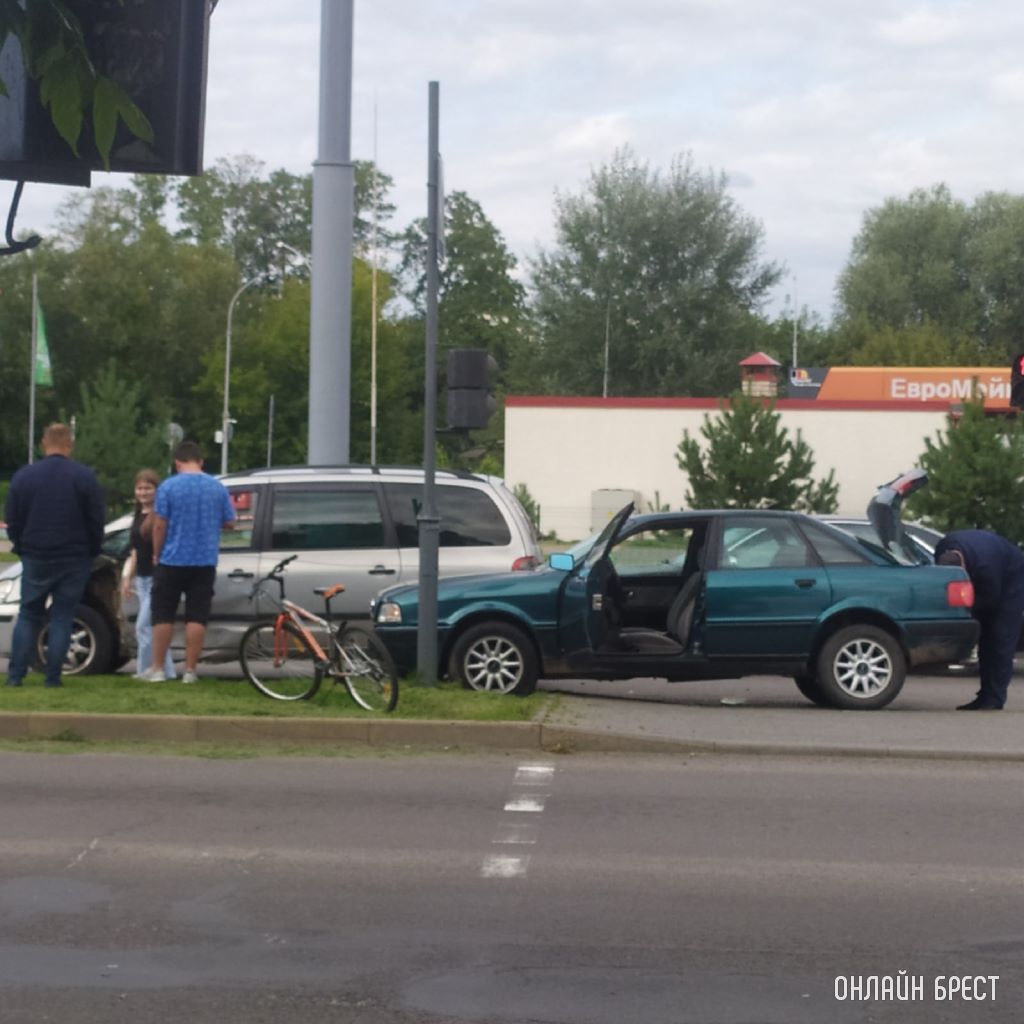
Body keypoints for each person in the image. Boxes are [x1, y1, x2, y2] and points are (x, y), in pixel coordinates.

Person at [3, 423, 105, 688]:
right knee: (62, 615)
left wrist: (21, 545)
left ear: (43, 443)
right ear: (69, 445)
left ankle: (15, 676)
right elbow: (96, 520)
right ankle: (53, 677)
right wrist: (92, 549)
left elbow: (12, 519)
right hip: (74, 556)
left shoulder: (24, 477)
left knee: (28, 614)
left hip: (36, 554)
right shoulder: (84, 477)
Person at [141, 440, 234, 684]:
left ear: (177, 462)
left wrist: (156, 553)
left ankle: (158, 668)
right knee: (197, 615)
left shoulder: (169, 487)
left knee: (163, 614)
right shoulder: (217, 487)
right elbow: (230, 522)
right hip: (204, 561)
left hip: (172, 559)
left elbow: (160, 524)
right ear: (200, 461)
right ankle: (191, 671)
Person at [934, 528, 1024, 710]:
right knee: (985, 641)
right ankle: (984, 694)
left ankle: (994, 699)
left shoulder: (986, 566)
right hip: (988, 561)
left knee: (999, 639)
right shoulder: (942, 549)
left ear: (965, 567)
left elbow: (990, 600)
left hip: (1011, 578)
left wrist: (968, 616)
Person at [120, 469, 176, 681]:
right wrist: (127, 577)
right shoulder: (137, 516)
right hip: (141, 579)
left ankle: (147, 670)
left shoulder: (160, 516)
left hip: (157, 578)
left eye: (148, 488)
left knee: (144, 626)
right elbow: (135, 551)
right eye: (139, 488)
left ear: (156, 490)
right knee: (155, 627)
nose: (143, 492)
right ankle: (166, 670)